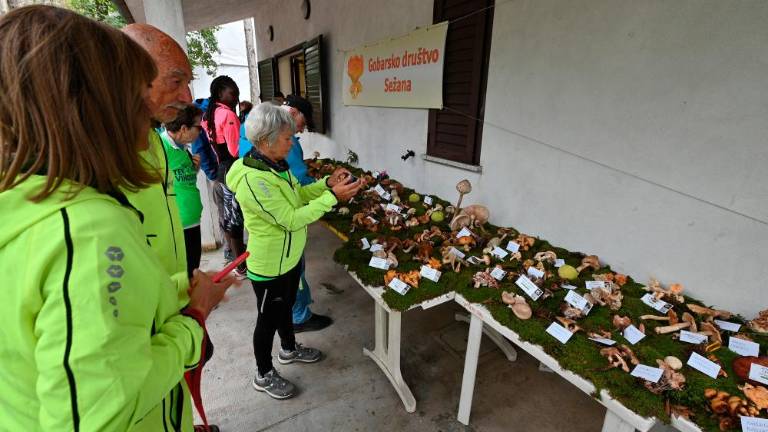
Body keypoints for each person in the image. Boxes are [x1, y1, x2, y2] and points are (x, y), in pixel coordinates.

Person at [0, 6, 232, 431]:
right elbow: (100, 414)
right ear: (91, 99)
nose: (184, 98)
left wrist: (178, 290)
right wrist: (192, 325)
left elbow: (97, 305)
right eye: (131, 85)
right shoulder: (84, 230)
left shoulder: (28, 200)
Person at [122, 23, 226, 432]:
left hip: (166, 333)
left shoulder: (150, 146)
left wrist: (184, 289)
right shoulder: (91, 181)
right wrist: (194, 317)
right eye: (176, 80)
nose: (186, 97)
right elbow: (108, 401)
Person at [226, 103, 364, 399]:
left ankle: (289, 349)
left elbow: (297, 196)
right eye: (287, 139)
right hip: (269, 265)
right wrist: (331, 198)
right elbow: (289, 219)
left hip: (288, 258)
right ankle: (263, 374)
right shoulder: (254, 180)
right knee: (267, 320)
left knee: (285, 308)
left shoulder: (274, 165)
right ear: (265, 141)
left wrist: (326, 184)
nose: (292, 143)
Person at [282, 95, 333, 332]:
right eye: (303, 122)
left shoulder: (262, 141)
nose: (301, 130)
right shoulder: (285, 141)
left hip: (279, 227)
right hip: (284, 230)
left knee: (290, 271)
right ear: (293, 114)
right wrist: (329, 194)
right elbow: (299, 183)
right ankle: (299, 318)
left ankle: (295, 313)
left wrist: (325, 184)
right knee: (293, 269)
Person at [203, 76, 247, 273]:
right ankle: (241, 265)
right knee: (236, 217)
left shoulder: (209, 114)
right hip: (232, 170)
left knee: (228, 216)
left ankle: (235, 256)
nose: (236, 98)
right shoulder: (228, 115)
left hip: (222, 170)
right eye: (232, 93)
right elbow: (236, 149)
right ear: (220, 92)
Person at [161, 105, 205, 277]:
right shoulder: (162, 148)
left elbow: (183, 179)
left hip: (192, 219)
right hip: (178, 225)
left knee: (192, 270)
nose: (200, 132)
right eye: (198, 127)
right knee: (183, 275)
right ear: (184, 128)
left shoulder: (183, 147)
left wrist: (195, 168)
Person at [192, 98, 219, 181]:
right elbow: (198, 149)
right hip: (215, 169)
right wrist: (211, 173)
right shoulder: (197, 115)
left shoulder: (216, 109)